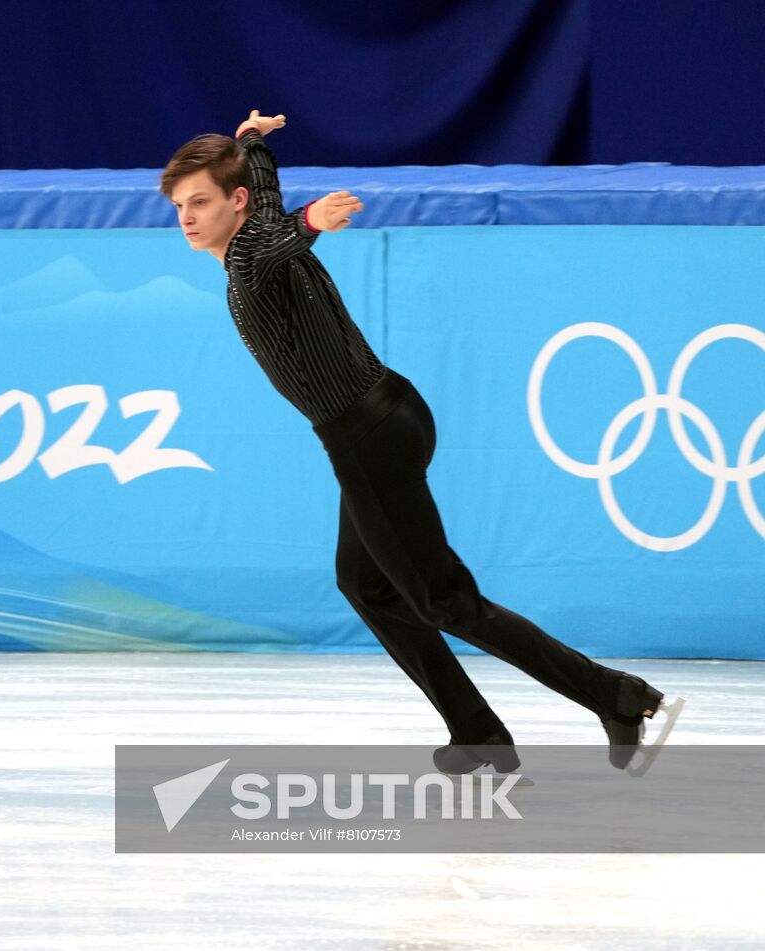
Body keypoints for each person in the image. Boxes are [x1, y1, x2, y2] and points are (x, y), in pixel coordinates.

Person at [161, 110, 681, 774]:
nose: (186, 215)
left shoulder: (253, 254)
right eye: (180, 204)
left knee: (446, 601)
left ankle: (617, 695)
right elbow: (263, 193)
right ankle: (476, 730)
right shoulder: (250, 224)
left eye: (199, 200)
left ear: (232, 204)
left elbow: (276, 235)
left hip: (367, 436)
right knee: (366, 583)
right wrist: (253, 141)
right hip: (391, 412)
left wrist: (312, 221)